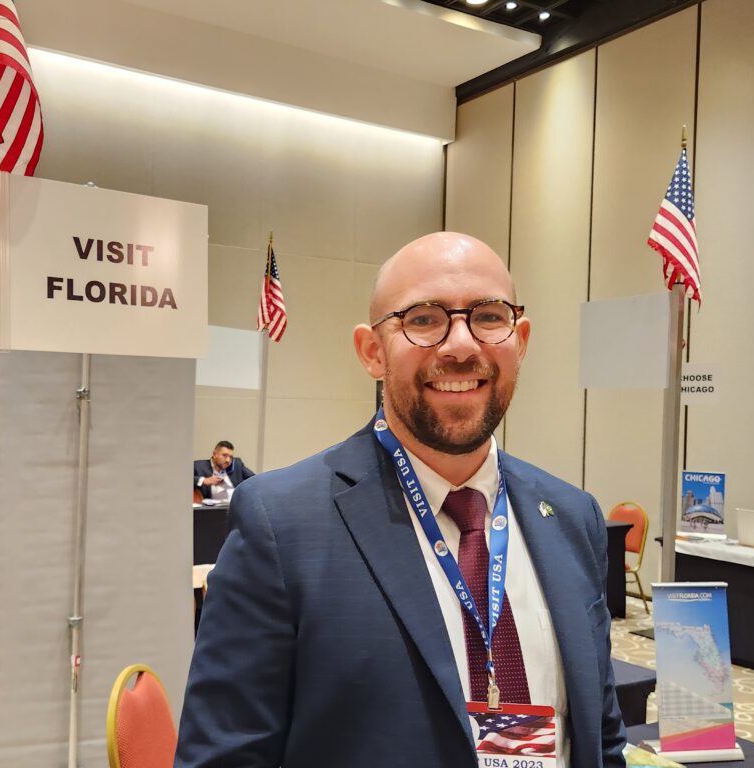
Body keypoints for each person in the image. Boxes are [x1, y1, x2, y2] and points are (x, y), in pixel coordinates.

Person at [176, 232, 627, 767]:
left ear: (520, 339)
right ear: (372, 351)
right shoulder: (281, 526)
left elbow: (601, 737)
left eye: (488, 316)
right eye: (423, 319)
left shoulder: (573, 517)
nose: (461, 345)